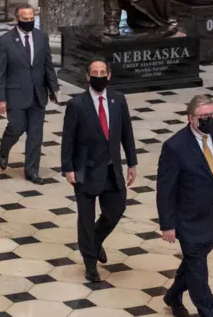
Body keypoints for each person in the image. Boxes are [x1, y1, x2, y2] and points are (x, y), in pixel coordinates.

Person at [157, 95, 213, 317]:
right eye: (203, 116)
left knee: (193, 263)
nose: (208, 120)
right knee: (199, 276)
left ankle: (173, 295)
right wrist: (167, 224)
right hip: (188, 221)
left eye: (212, 115)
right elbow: (165, 190)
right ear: (190, 118)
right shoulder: (174, 147)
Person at [61, 58, 137, 282]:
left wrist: (132, 162)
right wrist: (68, 167)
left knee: (115, 210)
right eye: (95, 72)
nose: (99, 75)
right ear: (87, 76)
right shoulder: (77, 105)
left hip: (112, 169)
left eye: (103, 72)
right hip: (85, 169)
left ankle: (94, 242)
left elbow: (127, 134)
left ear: (109, 75)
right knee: (85, 218)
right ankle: (90, 263)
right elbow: (68, 139)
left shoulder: (118, 100)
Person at [0, 4, 59, 185]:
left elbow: (47, 64)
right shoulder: (5, 41)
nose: (29, 22)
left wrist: (54, 87)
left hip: (38, 93)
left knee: (36, 134)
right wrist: (0, 99)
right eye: (25, 19)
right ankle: (4, 149)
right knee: (16, 127)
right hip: (15, 94)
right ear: (17, 19)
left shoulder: (41, 37)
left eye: (31, 19)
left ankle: (32, 170)